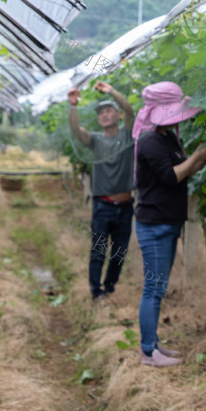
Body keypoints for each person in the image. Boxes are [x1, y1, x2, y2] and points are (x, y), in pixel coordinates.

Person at [132, 81, 206, 368]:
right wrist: (196, 158)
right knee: (153, 288)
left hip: (167, 222)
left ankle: (153, 345)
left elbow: (184, 171)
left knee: (158, 286)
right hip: (154, 225)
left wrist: (200, 159)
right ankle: (147, 352)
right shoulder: (151, 141)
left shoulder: (167, 139)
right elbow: (170, 177)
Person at [68, 81, 136, 302]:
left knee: (119, 253)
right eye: (101, 113)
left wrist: (111, 91)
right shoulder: (95, 140)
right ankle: (96, 292)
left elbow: (129, 110)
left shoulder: (127, 135)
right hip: (102, 206)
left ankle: (109, 288)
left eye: (109, 111)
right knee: (98, 251)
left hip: (125, 207)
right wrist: (73, 106)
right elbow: (76, 131)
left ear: (116, 115)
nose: (105, 115)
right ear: (98, 119)